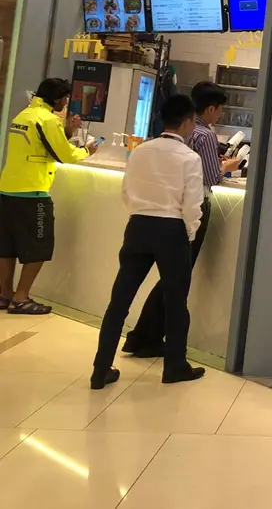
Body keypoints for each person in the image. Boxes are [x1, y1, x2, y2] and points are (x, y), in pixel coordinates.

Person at [91, 95, 206, 390]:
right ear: (188, 121)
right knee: (175, 302)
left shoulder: (140, 151)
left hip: (138, 226)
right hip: (172, 230)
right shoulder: (190, 158)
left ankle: (100, 369)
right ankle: (175, 366)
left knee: (119, 301)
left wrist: (141, 213)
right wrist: (189, 233)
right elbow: (192, 204)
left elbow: (126, 191)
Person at [122, 81, 242, 357]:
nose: (220, 114)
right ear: (210, 108)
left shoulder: (175, 135)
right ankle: (146, 338)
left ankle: (141, 336)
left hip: (155, 214)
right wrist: (227, 166)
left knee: (164, 280)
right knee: (176, 279)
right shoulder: (205, 135)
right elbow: (210, 177)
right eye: (220, 109)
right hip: (190, 210)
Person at [0, 78, 98, 314]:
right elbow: (64, 155)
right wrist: (87, 150)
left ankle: (5, 294)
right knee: (39, 246)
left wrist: (67, 131)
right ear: (57, 99)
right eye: (65, 99)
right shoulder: (48, 120)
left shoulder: (24, 115)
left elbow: (42, 145)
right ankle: (21, 298)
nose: (66, 104)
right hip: (33, 193)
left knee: (6, 246)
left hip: (7, 188)